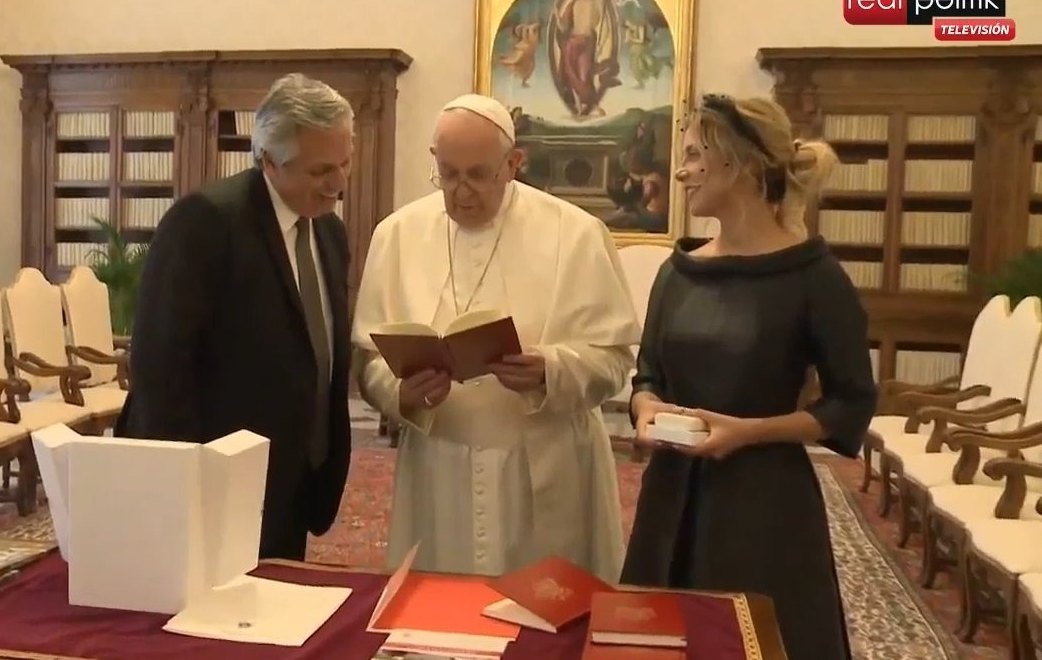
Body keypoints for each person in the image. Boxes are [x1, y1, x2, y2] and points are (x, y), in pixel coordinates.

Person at [620, 93, 877, 660]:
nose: (680, 172)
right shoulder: (677, 270)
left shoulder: (814, 276)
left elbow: (850, 403)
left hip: (762, 506)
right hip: (669, 498)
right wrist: (646, 410)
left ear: (739, 163)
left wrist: (746, 432)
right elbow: (648, 375)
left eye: (692, 156)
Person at [352, 93, 641, 585]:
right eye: (448, 175)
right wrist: (401, 392)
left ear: (513, 164)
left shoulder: (576, 234)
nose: (461, 193)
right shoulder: (396, 235)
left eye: (478, 175)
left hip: (546, 466)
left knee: (546, 621)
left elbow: (613, 359)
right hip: (440, 467)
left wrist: (550, 370)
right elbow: (372, 359)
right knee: (441, 617)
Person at [115, 73, 355, 561]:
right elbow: (160, 373)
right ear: (269, 161)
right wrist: (186, 492)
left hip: (295, 480)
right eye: (320, 170)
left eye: (346, 164)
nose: (339, 184)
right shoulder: (204, 223)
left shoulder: (328, 233)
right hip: (218, 488)